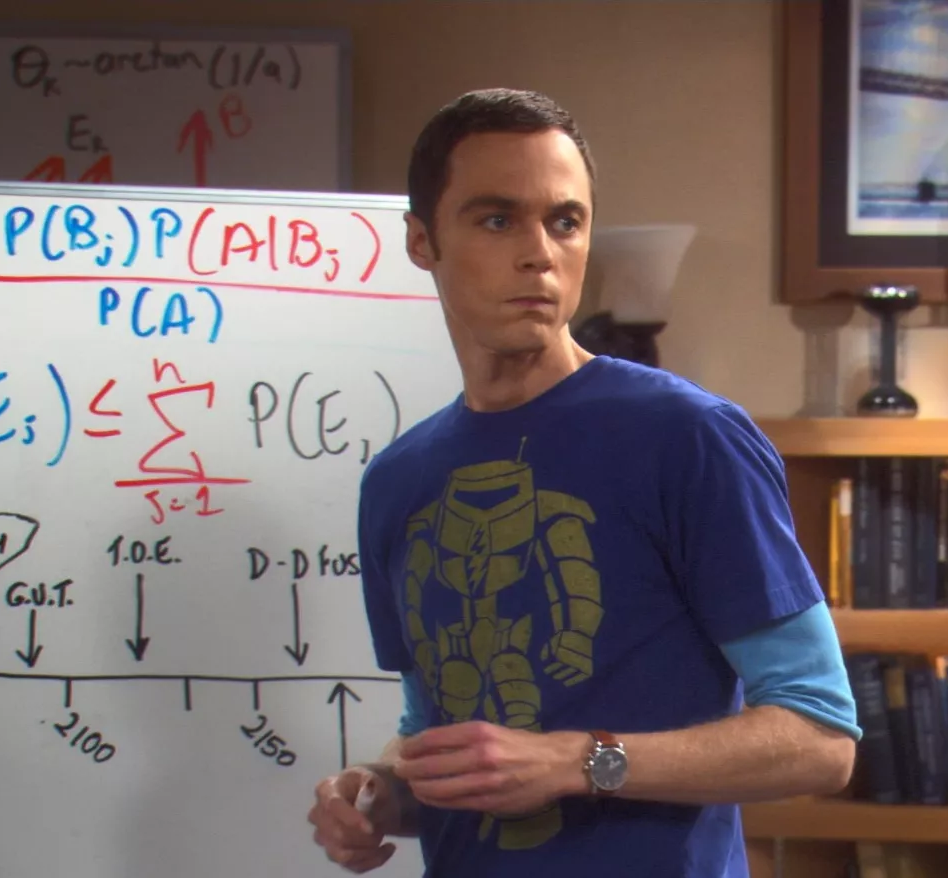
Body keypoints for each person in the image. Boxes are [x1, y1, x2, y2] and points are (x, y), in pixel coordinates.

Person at [306, 88, 861, 877]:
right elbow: (432, 728)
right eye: (497, 220)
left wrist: (580, 762)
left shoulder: (686, 437)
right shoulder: (399, 480)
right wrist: (379, 795)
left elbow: (821, 736)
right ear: (422, 241)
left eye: (564, 222)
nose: (539, 253)